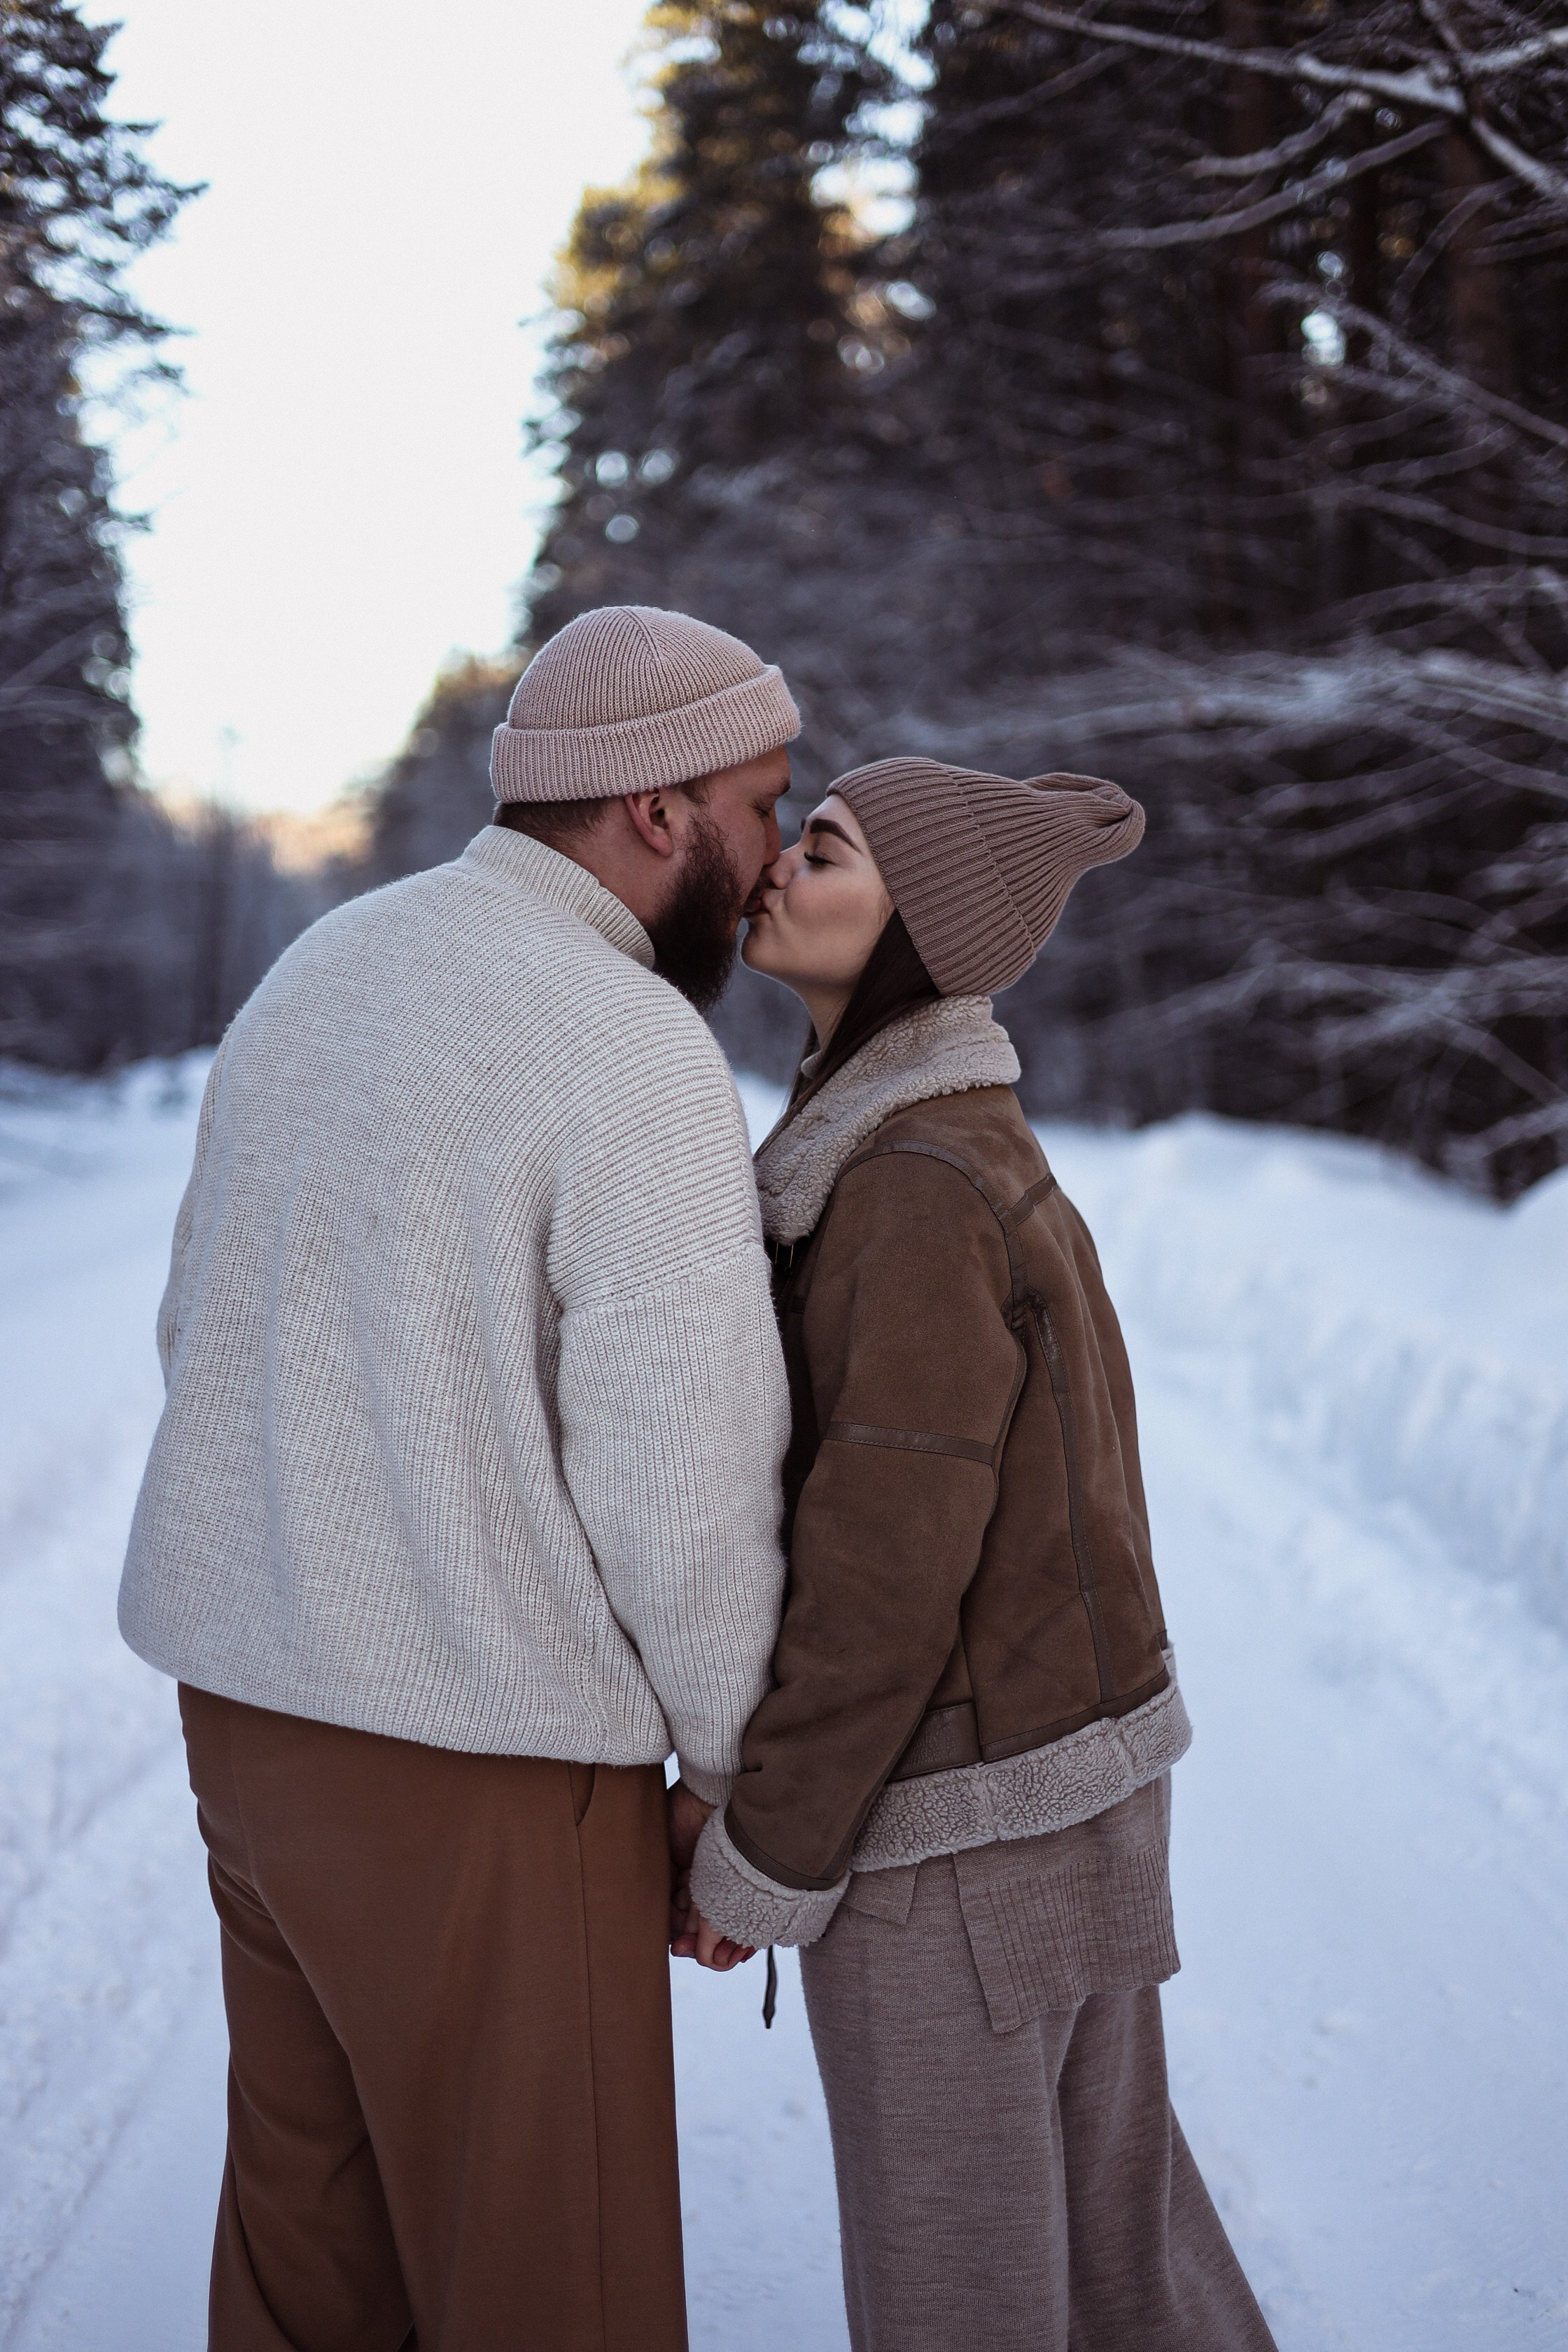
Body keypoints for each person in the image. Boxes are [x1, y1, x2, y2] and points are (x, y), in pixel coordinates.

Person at [119, 604, 794, 2352]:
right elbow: (683, 1474)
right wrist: (727, 1772)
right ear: (657, 812)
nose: (777, 851)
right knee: (544, 2284)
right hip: (479, 1770)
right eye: (761, 800)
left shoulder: (326, 966)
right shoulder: (632, 1046)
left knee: (306, 2257)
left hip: (249, 1728)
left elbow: (199, 1310)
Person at [684, 757, 1278, 2352]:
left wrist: (768, 1853)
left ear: (915, 930)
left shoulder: (908, 1186)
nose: (778, 870)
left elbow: (885, 1566)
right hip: (1070, 1790)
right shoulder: (934, 1140)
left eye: (824, 852)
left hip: (962, 1833)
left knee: (965, 2293)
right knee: (1114, 2262)